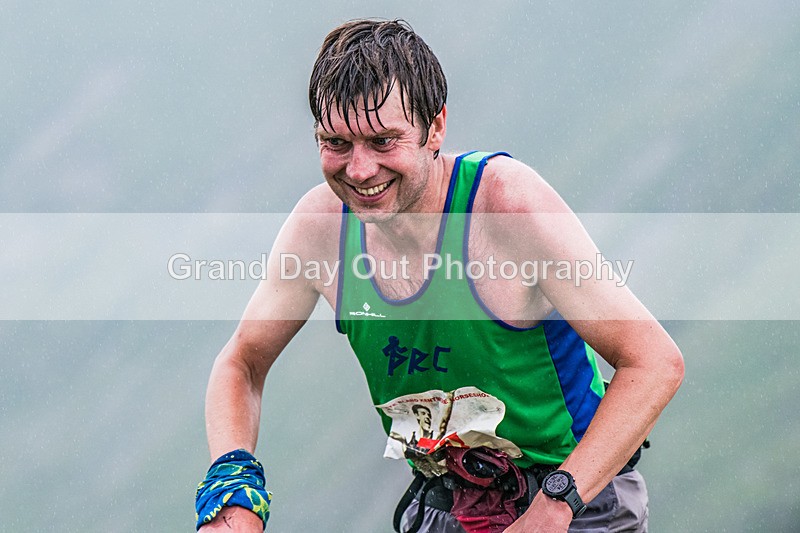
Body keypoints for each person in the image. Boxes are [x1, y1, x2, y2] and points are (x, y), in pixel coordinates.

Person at [195, 18, 684, 533]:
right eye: (335, 143)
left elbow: (653, 362)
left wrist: (552, 509)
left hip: (578, 495)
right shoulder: (320, 229)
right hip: (446, 502)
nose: (359, 170)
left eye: (384, 141)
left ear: (436, 127)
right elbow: (242, 363)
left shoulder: (504, 208)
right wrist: (232, 494)